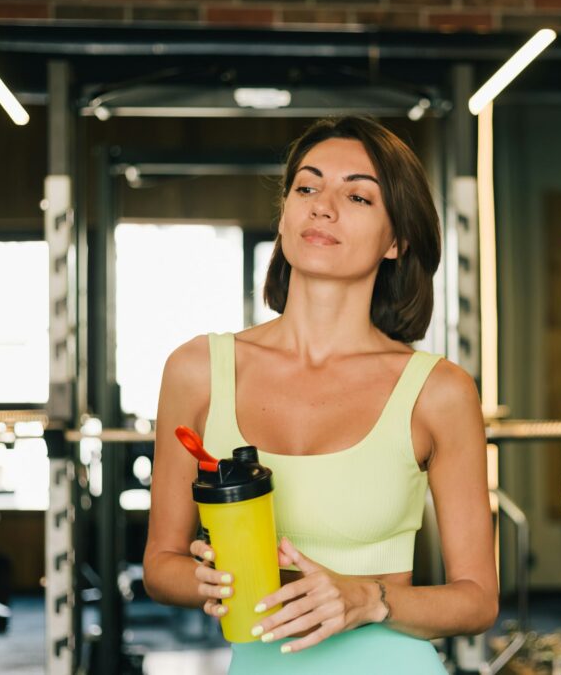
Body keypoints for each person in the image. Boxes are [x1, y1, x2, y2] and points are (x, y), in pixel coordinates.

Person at [143, 116, 498, 673]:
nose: (322, 206)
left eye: (358, 196)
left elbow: (477, 599)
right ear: (284, 218)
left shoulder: (438, 391)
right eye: (306, 187)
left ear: (397, 240)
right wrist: (210, 579)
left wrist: (369, 599)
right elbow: (160, 566)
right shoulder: (196, 370)